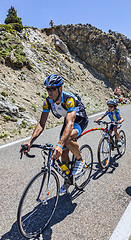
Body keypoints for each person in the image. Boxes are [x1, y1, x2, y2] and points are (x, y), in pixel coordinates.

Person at [21, 74, 88, 193]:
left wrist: (60, 144)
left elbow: (70, 124)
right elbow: (41, 123)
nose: (49, 91)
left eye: (52, 89)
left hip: (79, 119)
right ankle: (68, 179)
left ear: (60, 89)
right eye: (47, 88)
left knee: (65, 141)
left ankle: (80, 160)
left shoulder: (69, 99)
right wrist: (30, 142)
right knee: (63, 155)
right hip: (67, 120)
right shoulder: (47, 101)